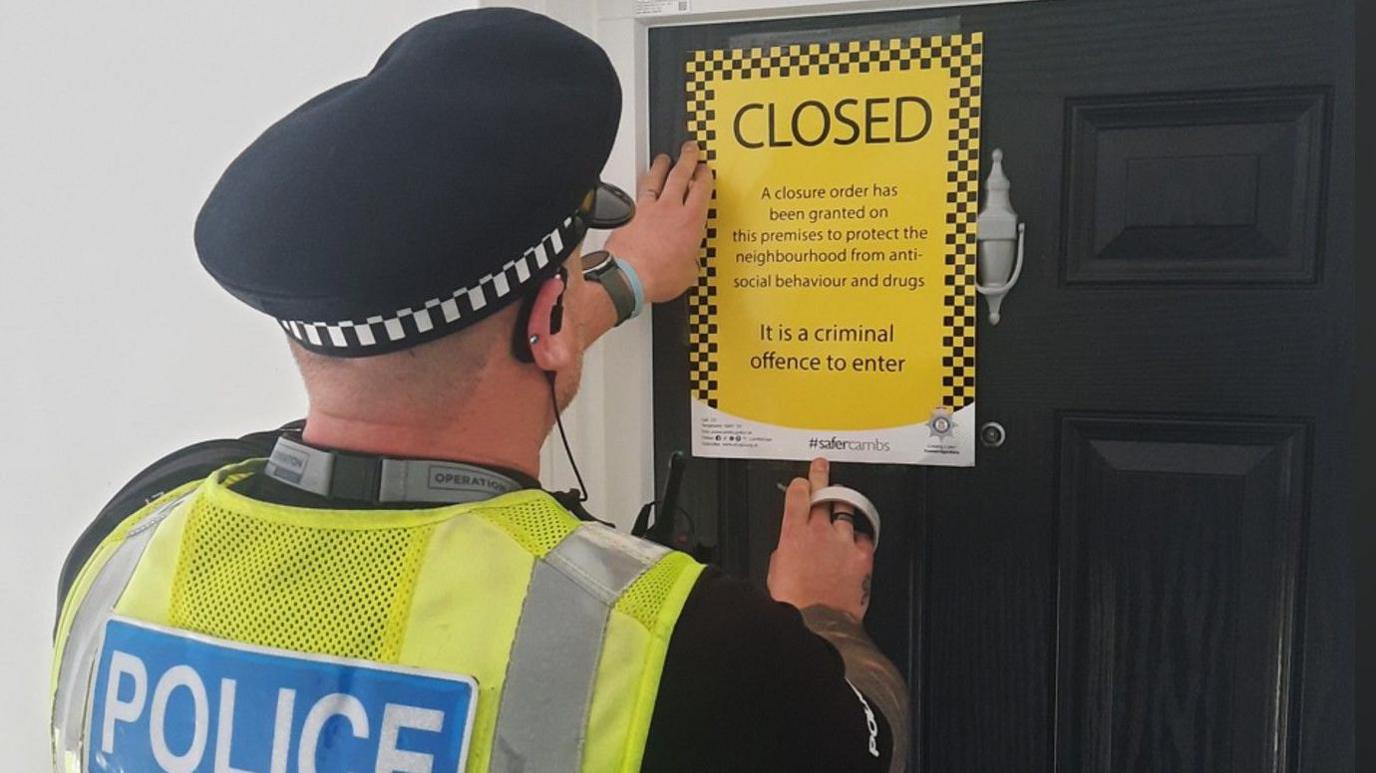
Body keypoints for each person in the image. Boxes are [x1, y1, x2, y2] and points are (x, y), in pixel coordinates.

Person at [50, 8, 909, 772]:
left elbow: (391, 397)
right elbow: (872, 733)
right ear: (548, 318)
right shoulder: (698, 654)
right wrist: (822, 611)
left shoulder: (128, 538)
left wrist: (624, 281)